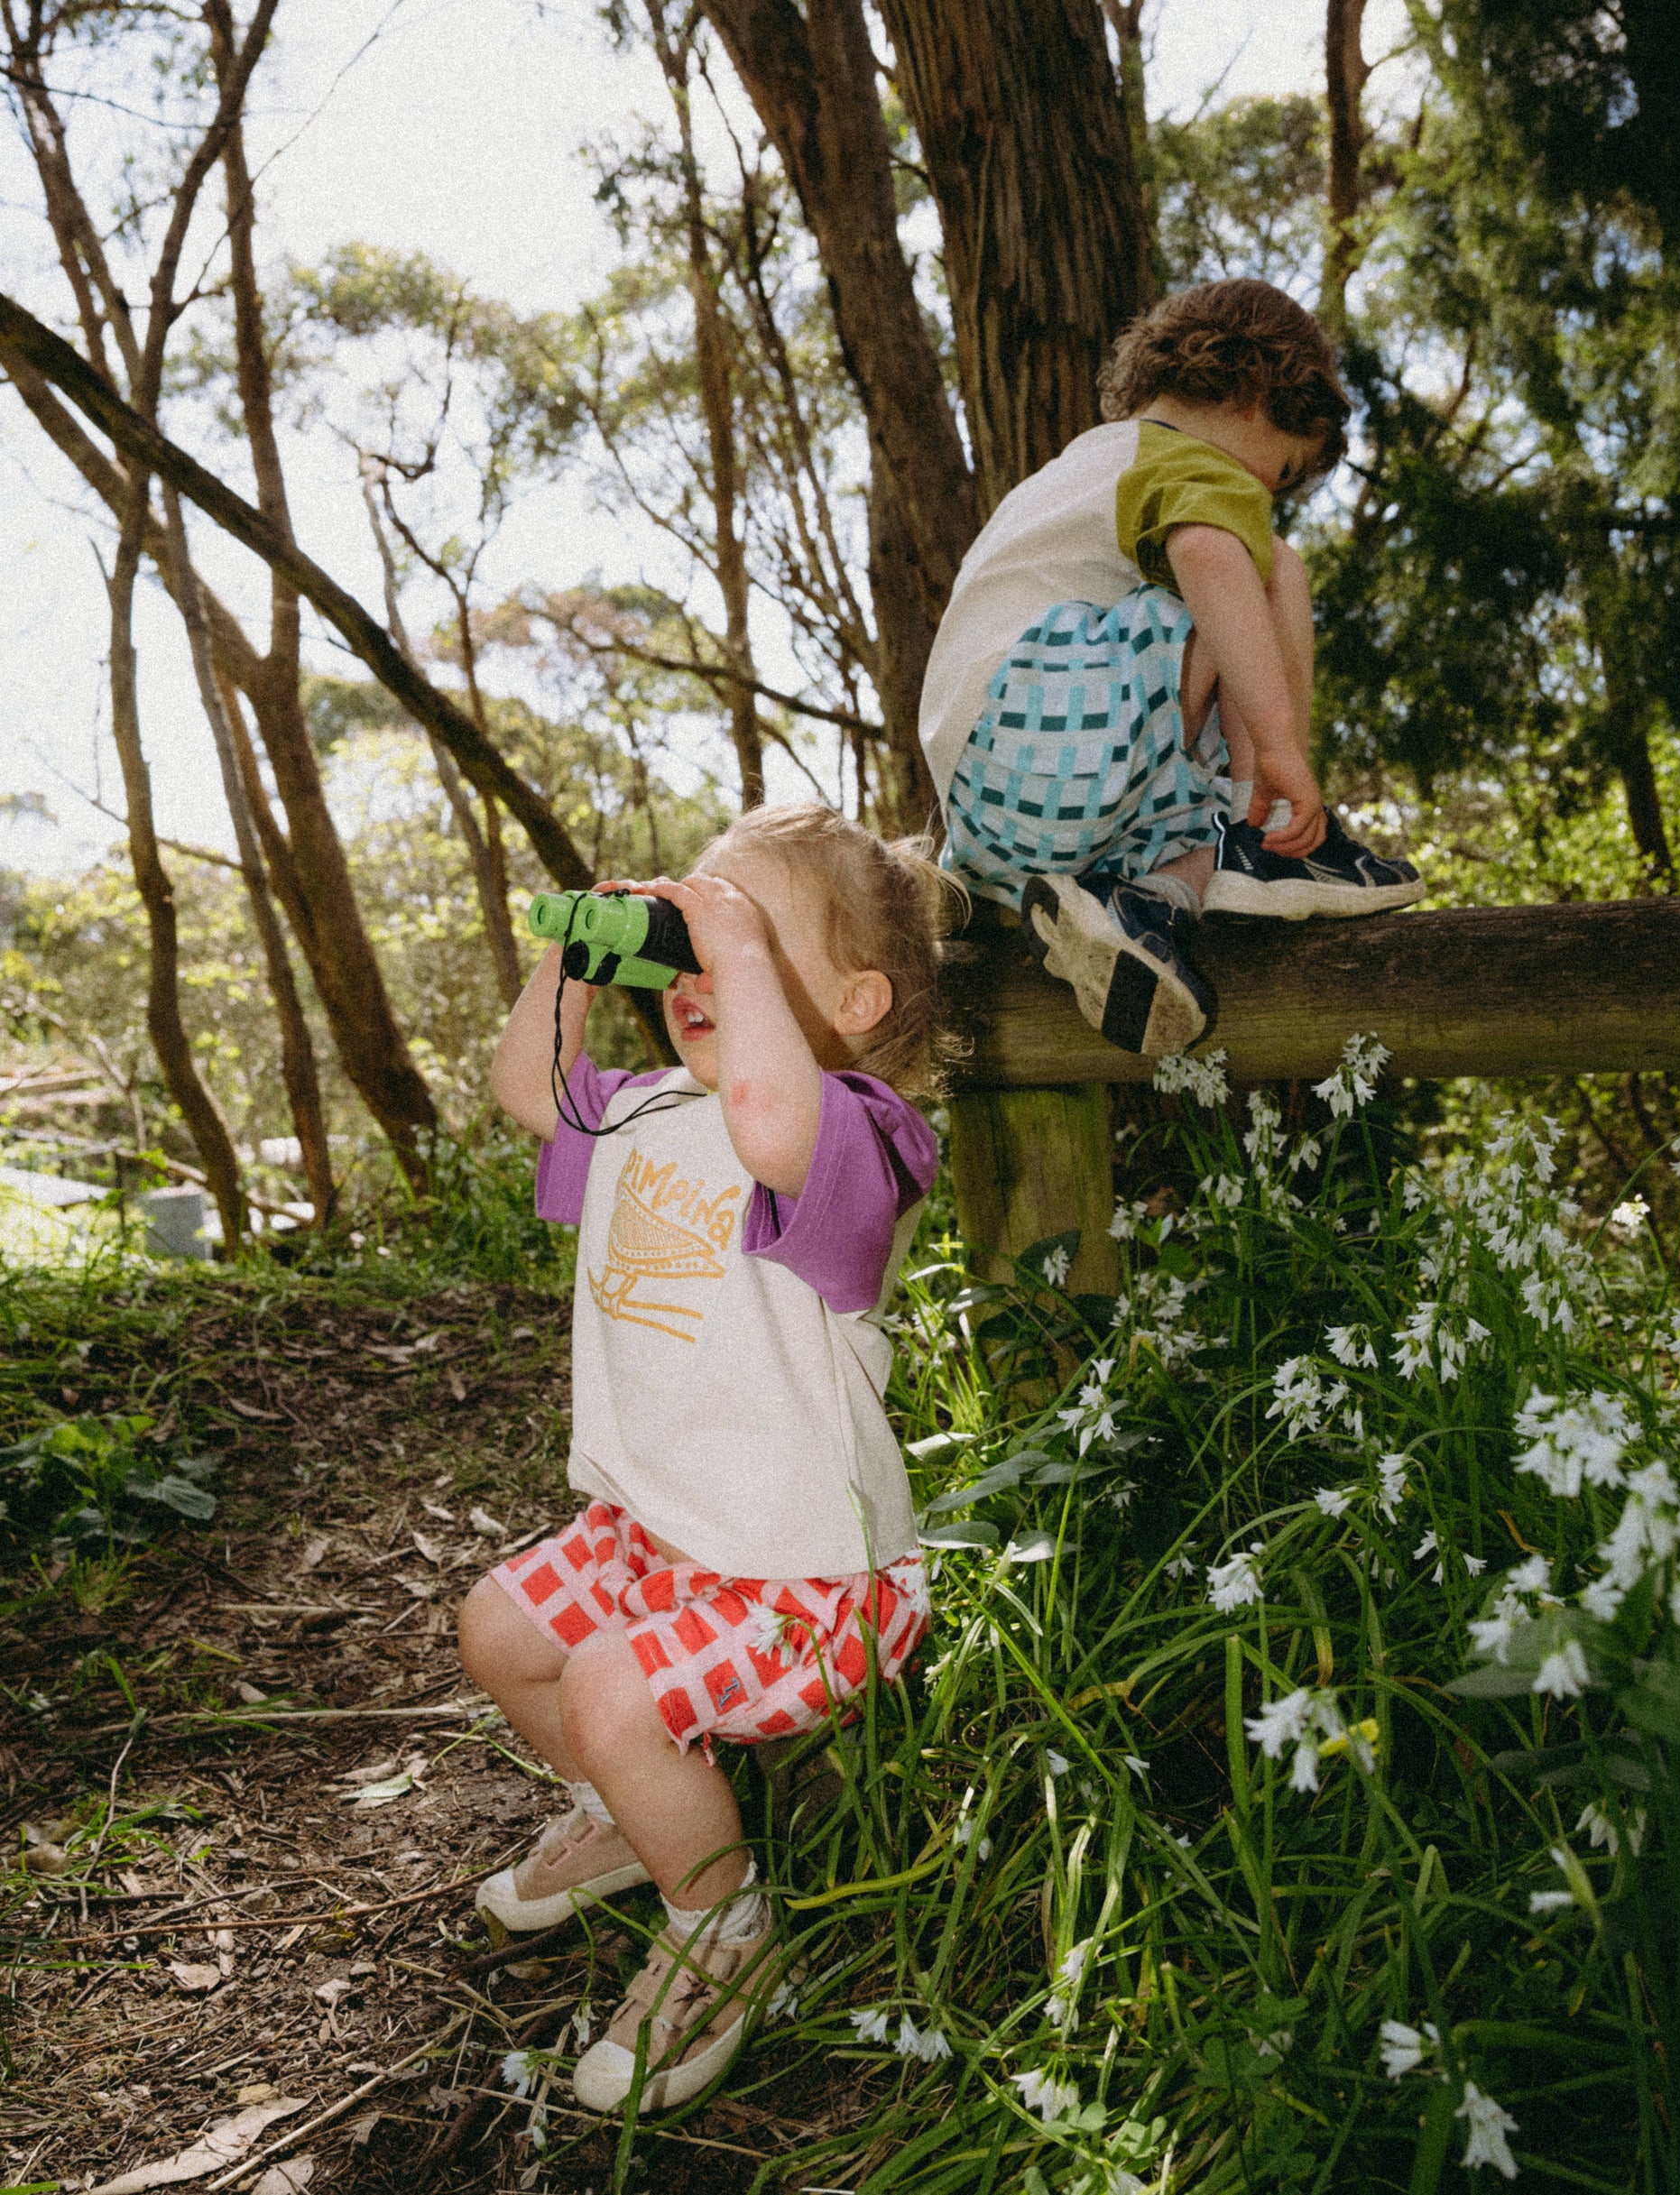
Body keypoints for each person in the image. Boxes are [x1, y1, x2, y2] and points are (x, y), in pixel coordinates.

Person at [458, 805, 944, 2117]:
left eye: (746, 942)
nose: (700, 966)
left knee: (614, 1689)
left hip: (806, 1574)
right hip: (657, 1533)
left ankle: (719, 1915)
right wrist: (571, 950)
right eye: (688, 940)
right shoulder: (651, 1112)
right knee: (499, 1631)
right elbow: (525, 1092)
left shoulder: (859, 1134)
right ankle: (638, 1814)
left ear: (854, 999)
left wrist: (719, 936)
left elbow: (772, 1117)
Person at [919, 276, 1423, 1059]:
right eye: (1282, 473)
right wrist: (1280, 750)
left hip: (994, 818)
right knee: (1263, 568)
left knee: (1196, 757)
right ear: (1260, 391)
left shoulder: (1078, 470)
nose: (1268, 493)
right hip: (1050, 721)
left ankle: (1144, 907)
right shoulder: (1185, 461)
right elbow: (1208, 555)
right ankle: (1261, 827)